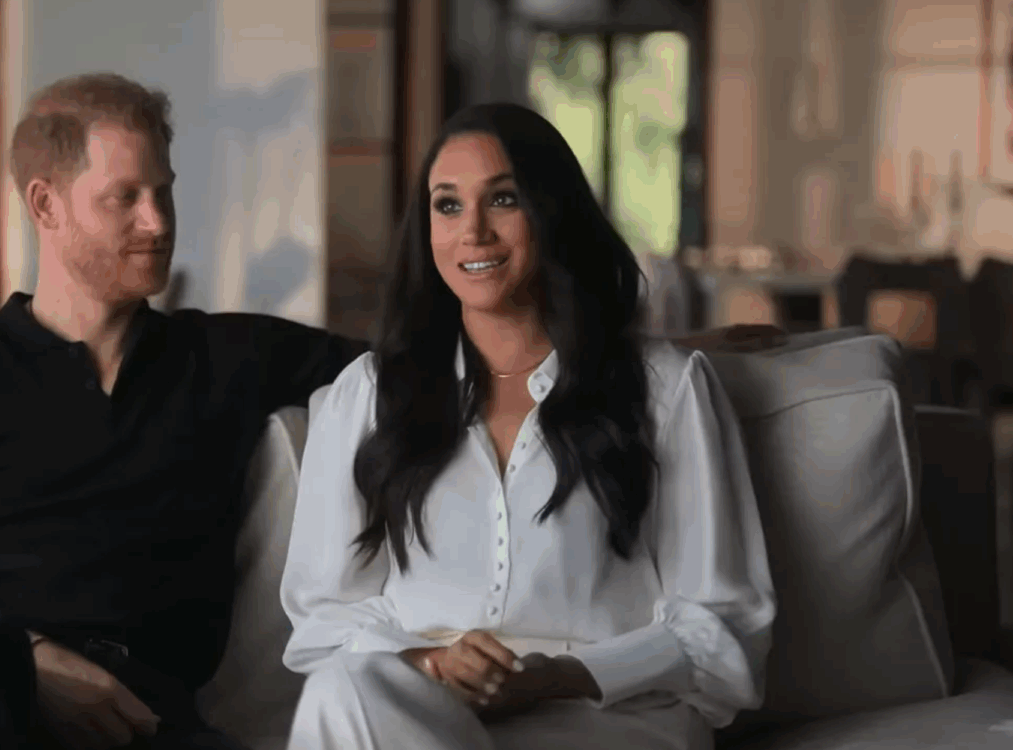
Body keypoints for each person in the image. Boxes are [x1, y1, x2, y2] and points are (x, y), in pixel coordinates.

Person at [0, 72, 368, 750]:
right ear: (46, 204)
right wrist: (33, 661)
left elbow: (417, 371)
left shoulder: (227, 357)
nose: (158, 222)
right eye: (126, 198)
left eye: (164, 192)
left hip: (141, 721)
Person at [278, 103, 777, 750]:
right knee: (338, 692)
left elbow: (724, 629)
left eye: (504, 199)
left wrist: (558, 677)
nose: (473, 231)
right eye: (448, 205)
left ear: (552, 212)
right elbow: (321, 626)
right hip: (426, 721)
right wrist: (428, 664)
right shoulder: (370, 395)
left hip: (607, 723)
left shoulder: (665, 390)